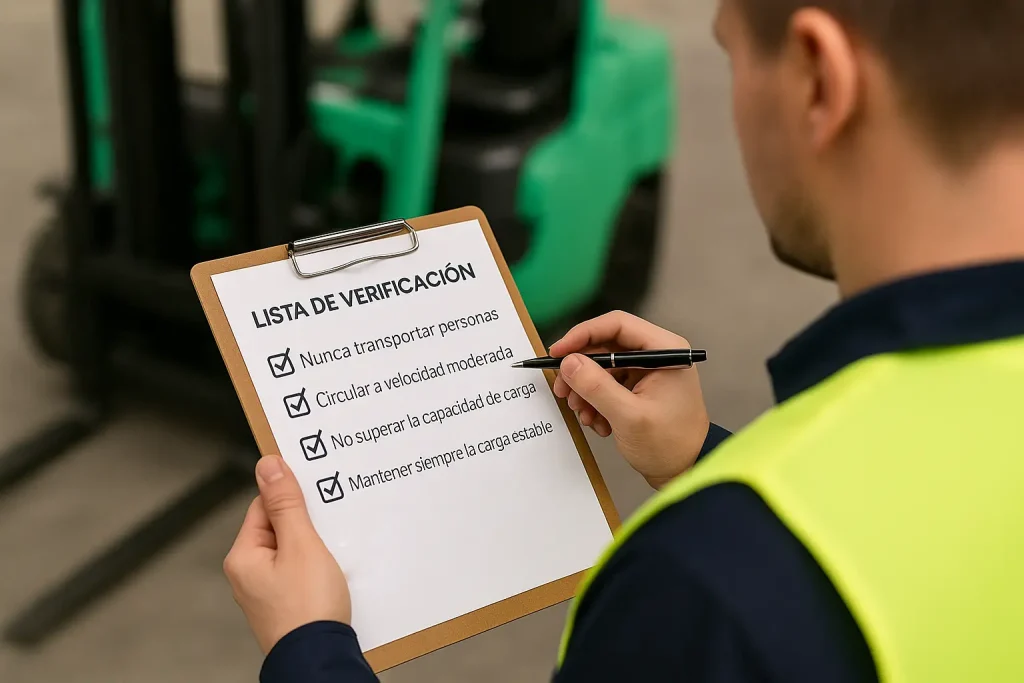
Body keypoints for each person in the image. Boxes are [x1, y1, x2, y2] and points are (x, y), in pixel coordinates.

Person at [224, 0, 1024, 680]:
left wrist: (309, 647)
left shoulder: (702, 590)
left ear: (818, 78)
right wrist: (704, 458)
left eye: (734, 58)